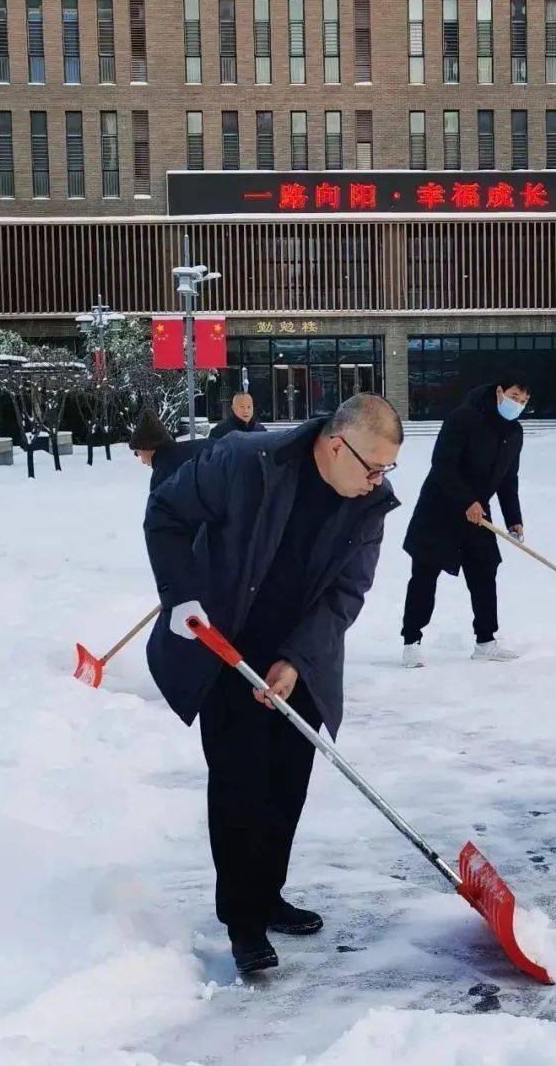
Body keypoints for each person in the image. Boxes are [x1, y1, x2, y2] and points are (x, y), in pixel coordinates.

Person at [143, 393, 403, 975]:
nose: (379, 481)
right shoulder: (244, 462)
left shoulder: (370, 502)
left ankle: (268, 894)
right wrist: (180, 594)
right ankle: (242, 921)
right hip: (225, 645)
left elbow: (346, 593)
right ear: (336, 445)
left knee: (288, 782)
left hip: (302, 653)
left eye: (388, 469)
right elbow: (165, 513)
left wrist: (296, 659)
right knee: (240, 785)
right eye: (373, 467)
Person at [400, 377, 530, 668]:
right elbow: (442, 464)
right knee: (425, 574)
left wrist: (514, 519)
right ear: (499, 391)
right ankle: (412, 641)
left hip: (476, 514)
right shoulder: (464, 418)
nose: (517, 404)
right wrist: (466, 500)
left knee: (485, 570)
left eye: (523, 401)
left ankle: (486, 640)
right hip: (440, 507)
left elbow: (508, 479)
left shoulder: (514, 432)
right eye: (514, 395)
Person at [129, 404, 206, 490]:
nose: (142, 461)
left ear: (149, 448)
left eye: (139, 453)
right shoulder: (193, 449)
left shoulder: (162, 476)